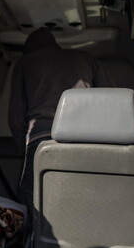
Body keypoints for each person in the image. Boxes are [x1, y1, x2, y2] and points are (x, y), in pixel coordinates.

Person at [8, 27, 111, 211]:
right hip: (84, 139)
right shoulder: (86, 58)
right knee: (81, 198)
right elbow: (110, 100)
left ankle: (37, 230)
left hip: (41, 139)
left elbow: (16, 118)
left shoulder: (25, 63)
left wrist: (25, 150)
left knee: (32, 197)